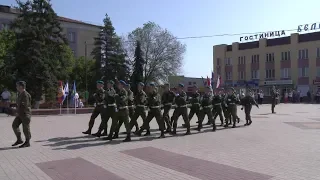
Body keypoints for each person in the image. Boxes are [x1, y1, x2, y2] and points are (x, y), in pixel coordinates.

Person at [12, 81, 32, 148]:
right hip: (20, 114)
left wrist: (17, 110)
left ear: (21, 86)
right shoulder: (20, 94)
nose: (16, 87)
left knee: (25, 128)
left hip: (25, 114)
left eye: (17, 85)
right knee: (14, 125)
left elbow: (25, 105)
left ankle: (27, 142)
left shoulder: (25, 94)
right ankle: (19, 139)